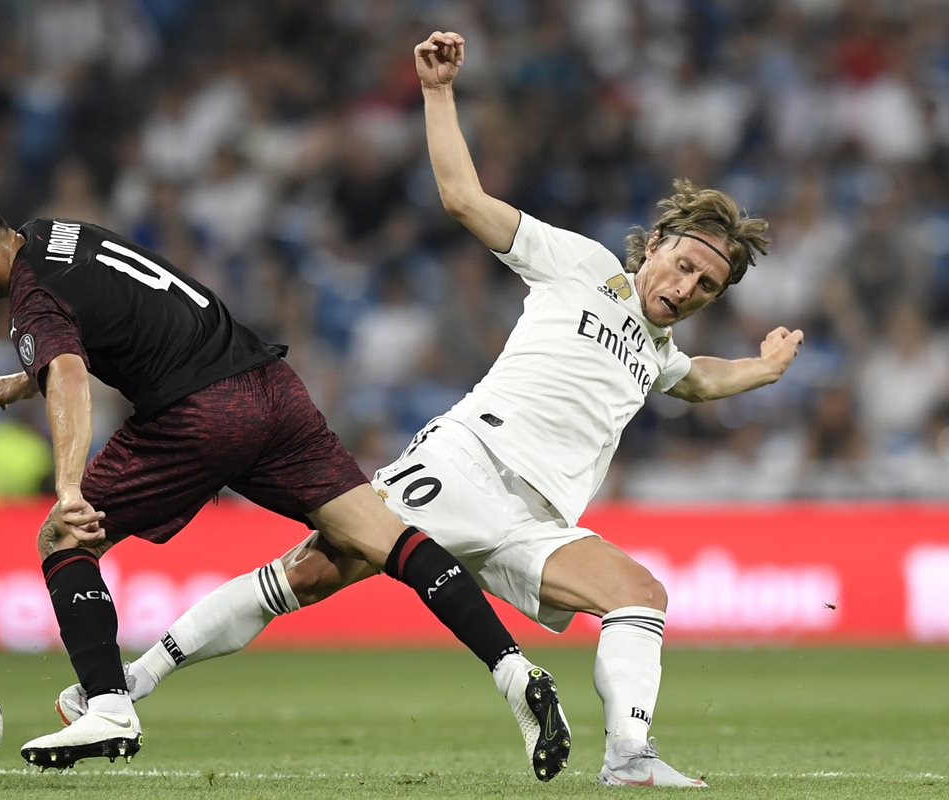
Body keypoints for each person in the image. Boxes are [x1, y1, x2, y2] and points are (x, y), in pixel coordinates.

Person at [56, 31, 804, 789]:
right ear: (658, 245)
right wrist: (439, 93)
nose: (683, 288)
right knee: (306, 578)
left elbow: (697, 380)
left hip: (538, 520)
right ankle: (123, 685)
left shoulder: (657, 349)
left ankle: (629, 760)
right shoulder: (581, 266)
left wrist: (763, 371)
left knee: (641, 597)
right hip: (465, 464)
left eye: (705, 287)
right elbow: (462, 199)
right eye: (682, 264)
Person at [0, 176, 570, 777]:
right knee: (382, 536)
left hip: (197, 411)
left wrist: (69, 489)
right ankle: (515, 672)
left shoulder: (30, 297)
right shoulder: (54, 236)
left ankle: (108, 704)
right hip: (268, 385)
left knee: (64, 541)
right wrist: (25, 380)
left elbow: (71, 372)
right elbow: (112, 315)